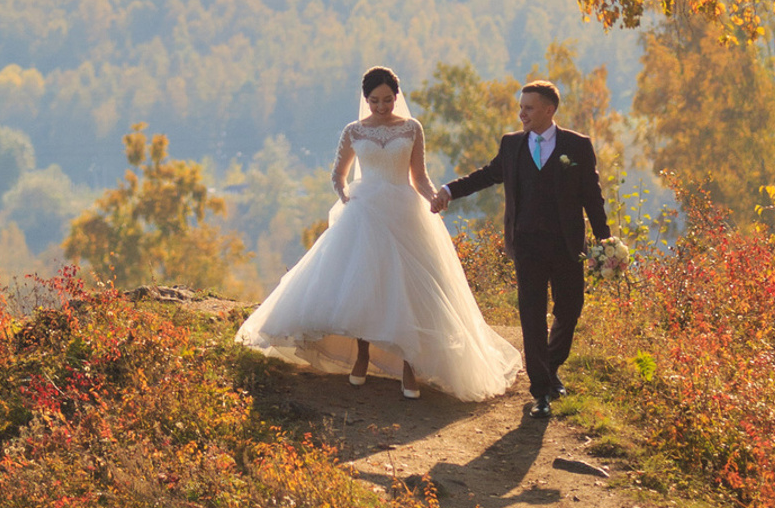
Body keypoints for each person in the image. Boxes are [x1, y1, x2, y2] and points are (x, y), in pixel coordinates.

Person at [237, 66, 523, 402]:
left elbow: (419, 176)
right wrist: (347, 199)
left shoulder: (412, 128)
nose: (382, 106)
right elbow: (338, 175)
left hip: (405, 212)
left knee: (409, 288)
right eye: (375, 101)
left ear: (396, 97)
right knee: (365, 284)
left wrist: (433, 197)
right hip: (365, 212)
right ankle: (362, 354)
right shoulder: (354, 131)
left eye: (387, 100)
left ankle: (409, 364)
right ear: (366, 99)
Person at [431, 80, 609, 418]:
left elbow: (592, 195)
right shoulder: (512, 144)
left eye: (528, 108)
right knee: (531, 315)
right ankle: (540, 391)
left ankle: (551, 365)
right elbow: (487, 175)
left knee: (570, 309)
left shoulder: (577, 145)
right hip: (526, 244)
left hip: (568, 245)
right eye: (521, 107)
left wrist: (605, 240)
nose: (521, 114)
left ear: (549, 110)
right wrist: (449, 191)